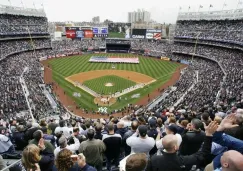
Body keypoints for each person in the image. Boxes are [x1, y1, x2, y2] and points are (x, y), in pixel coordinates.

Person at [145, 121, 218, 171]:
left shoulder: (153, 159)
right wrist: (208, 134)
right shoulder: (184, 161)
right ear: (176, 147)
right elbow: (204, 153)